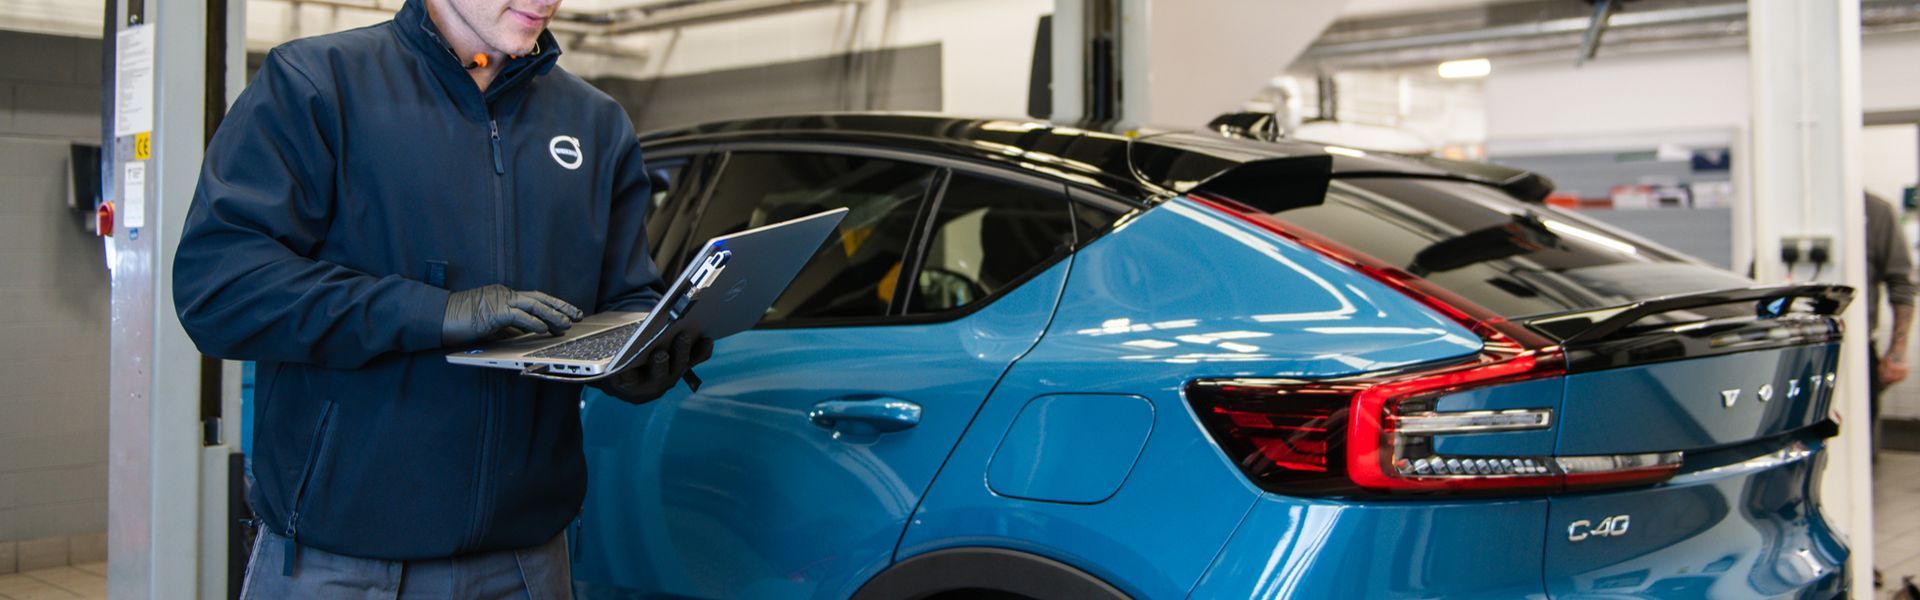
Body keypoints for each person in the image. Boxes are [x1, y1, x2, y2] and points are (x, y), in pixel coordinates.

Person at [171, 0, 708, 596]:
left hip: (528, 560)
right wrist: (436, 311)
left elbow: (627, 290)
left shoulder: (597, 123)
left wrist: (638, 349)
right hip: (342, 562)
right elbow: (220, 288)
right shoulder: (317, 84)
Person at [1866, 191, 1916, 453]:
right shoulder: (1782, 206)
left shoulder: (1875, 211)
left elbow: (1901, 285)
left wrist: (1897, 353)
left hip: (1859, 350)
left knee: (1861, 451)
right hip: (1797, 351)